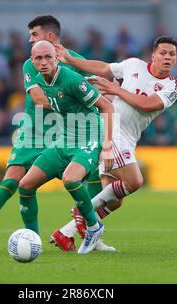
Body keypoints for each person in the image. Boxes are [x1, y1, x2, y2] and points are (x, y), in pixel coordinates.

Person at [0, 15, 105, 252]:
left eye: (34, 35)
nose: (30, 40)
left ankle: (93, 234)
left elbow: (97, 83)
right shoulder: (32, 62)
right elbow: (38, 98)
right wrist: (69, 103)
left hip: (70, 132)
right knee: (13, 180)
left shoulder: (74, 61)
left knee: (92, 178)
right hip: (35, 131)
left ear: (50, 37)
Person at [53, 36, 177, 247]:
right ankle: (83, 211)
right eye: (163, 53)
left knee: (115, 200)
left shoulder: (172, 87)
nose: (167, 57)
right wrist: (70, 59)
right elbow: (104, 68)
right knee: (135, 181)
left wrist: (116, 90)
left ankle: (66, 232)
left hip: (130, 138)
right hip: (113, 129)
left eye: (172, 54)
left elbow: (148, 104)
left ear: (175, 59)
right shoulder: (133, 65)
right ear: (153, 55)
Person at [18, 40, 114, 254]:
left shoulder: (71, 79)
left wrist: (107, 146)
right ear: (32, 61)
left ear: (55, 58)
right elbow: (49, 102)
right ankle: (33, 242)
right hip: (64, 139)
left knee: (71, 179)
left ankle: (93, 226)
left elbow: (106, 106)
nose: (44, 62)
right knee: (25, 185)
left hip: (90, 136)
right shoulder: (37, 80)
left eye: (48, 57)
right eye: (38, 58)